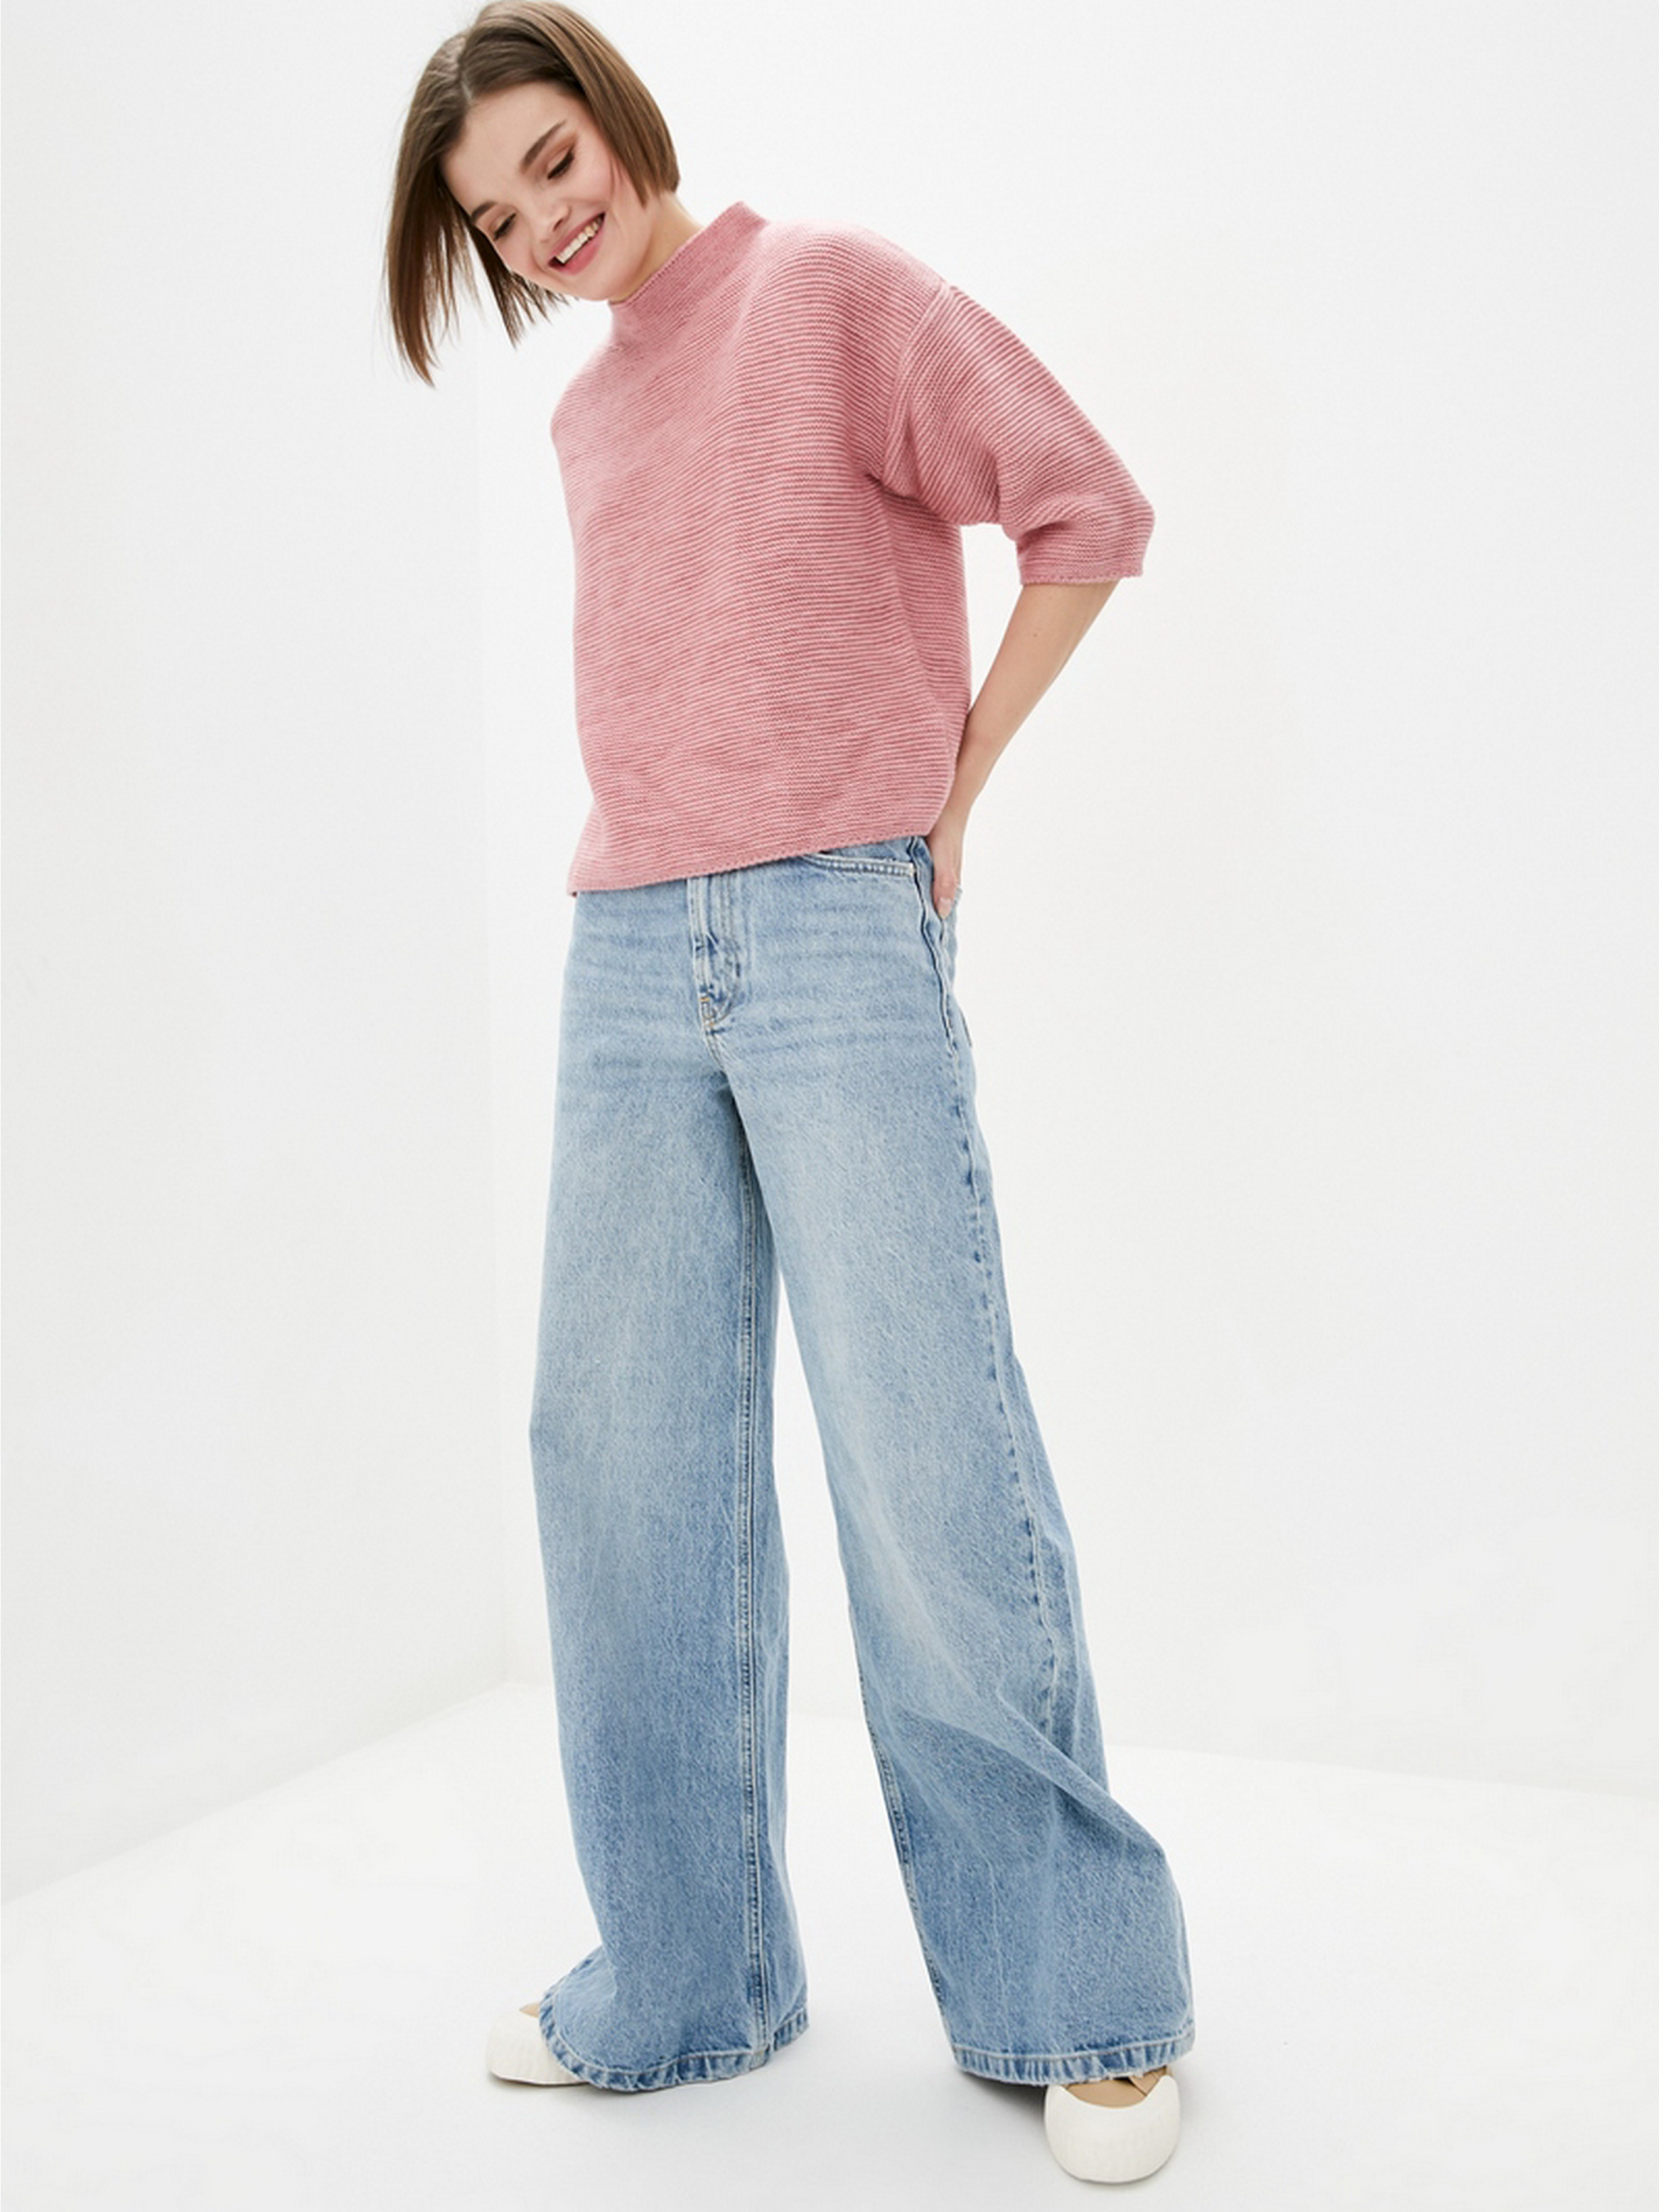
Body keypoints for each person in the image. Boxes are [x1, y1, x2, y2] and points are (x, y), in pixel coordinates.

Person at [383, 2, 1196, 2184]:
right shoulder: (585, 417)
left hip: (839, 923)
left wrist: (955, 783)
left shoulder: (829, 290)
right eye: (496, 218)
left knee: (928, 1449)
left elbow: (1087, 508)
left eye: (554, 163)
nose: (544, 225)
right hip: (628, 954)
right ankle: (686, 1975)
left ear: (616, 118)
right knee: (617, 1458)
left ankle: (1085, 1998)